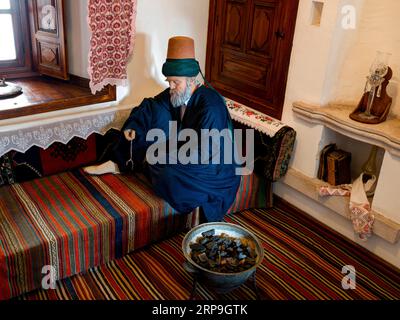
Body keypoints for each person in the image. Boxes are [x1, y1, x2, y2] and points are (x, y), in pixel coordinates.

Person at [84, 36, 240, 222]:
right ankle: (121, 163)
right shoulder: (176, 94)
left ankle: (141, 164)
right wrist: (135, 124)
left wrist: (170, 156)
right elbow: (150, 106)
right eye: (169, 82)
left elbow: (207, 153)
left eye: (176, 83)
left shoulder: (210, 105)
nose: (171, 87)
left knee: (167, 173)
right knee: (156, 118)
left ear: (191, 80)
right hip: (183, 151)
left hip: (212, 169)